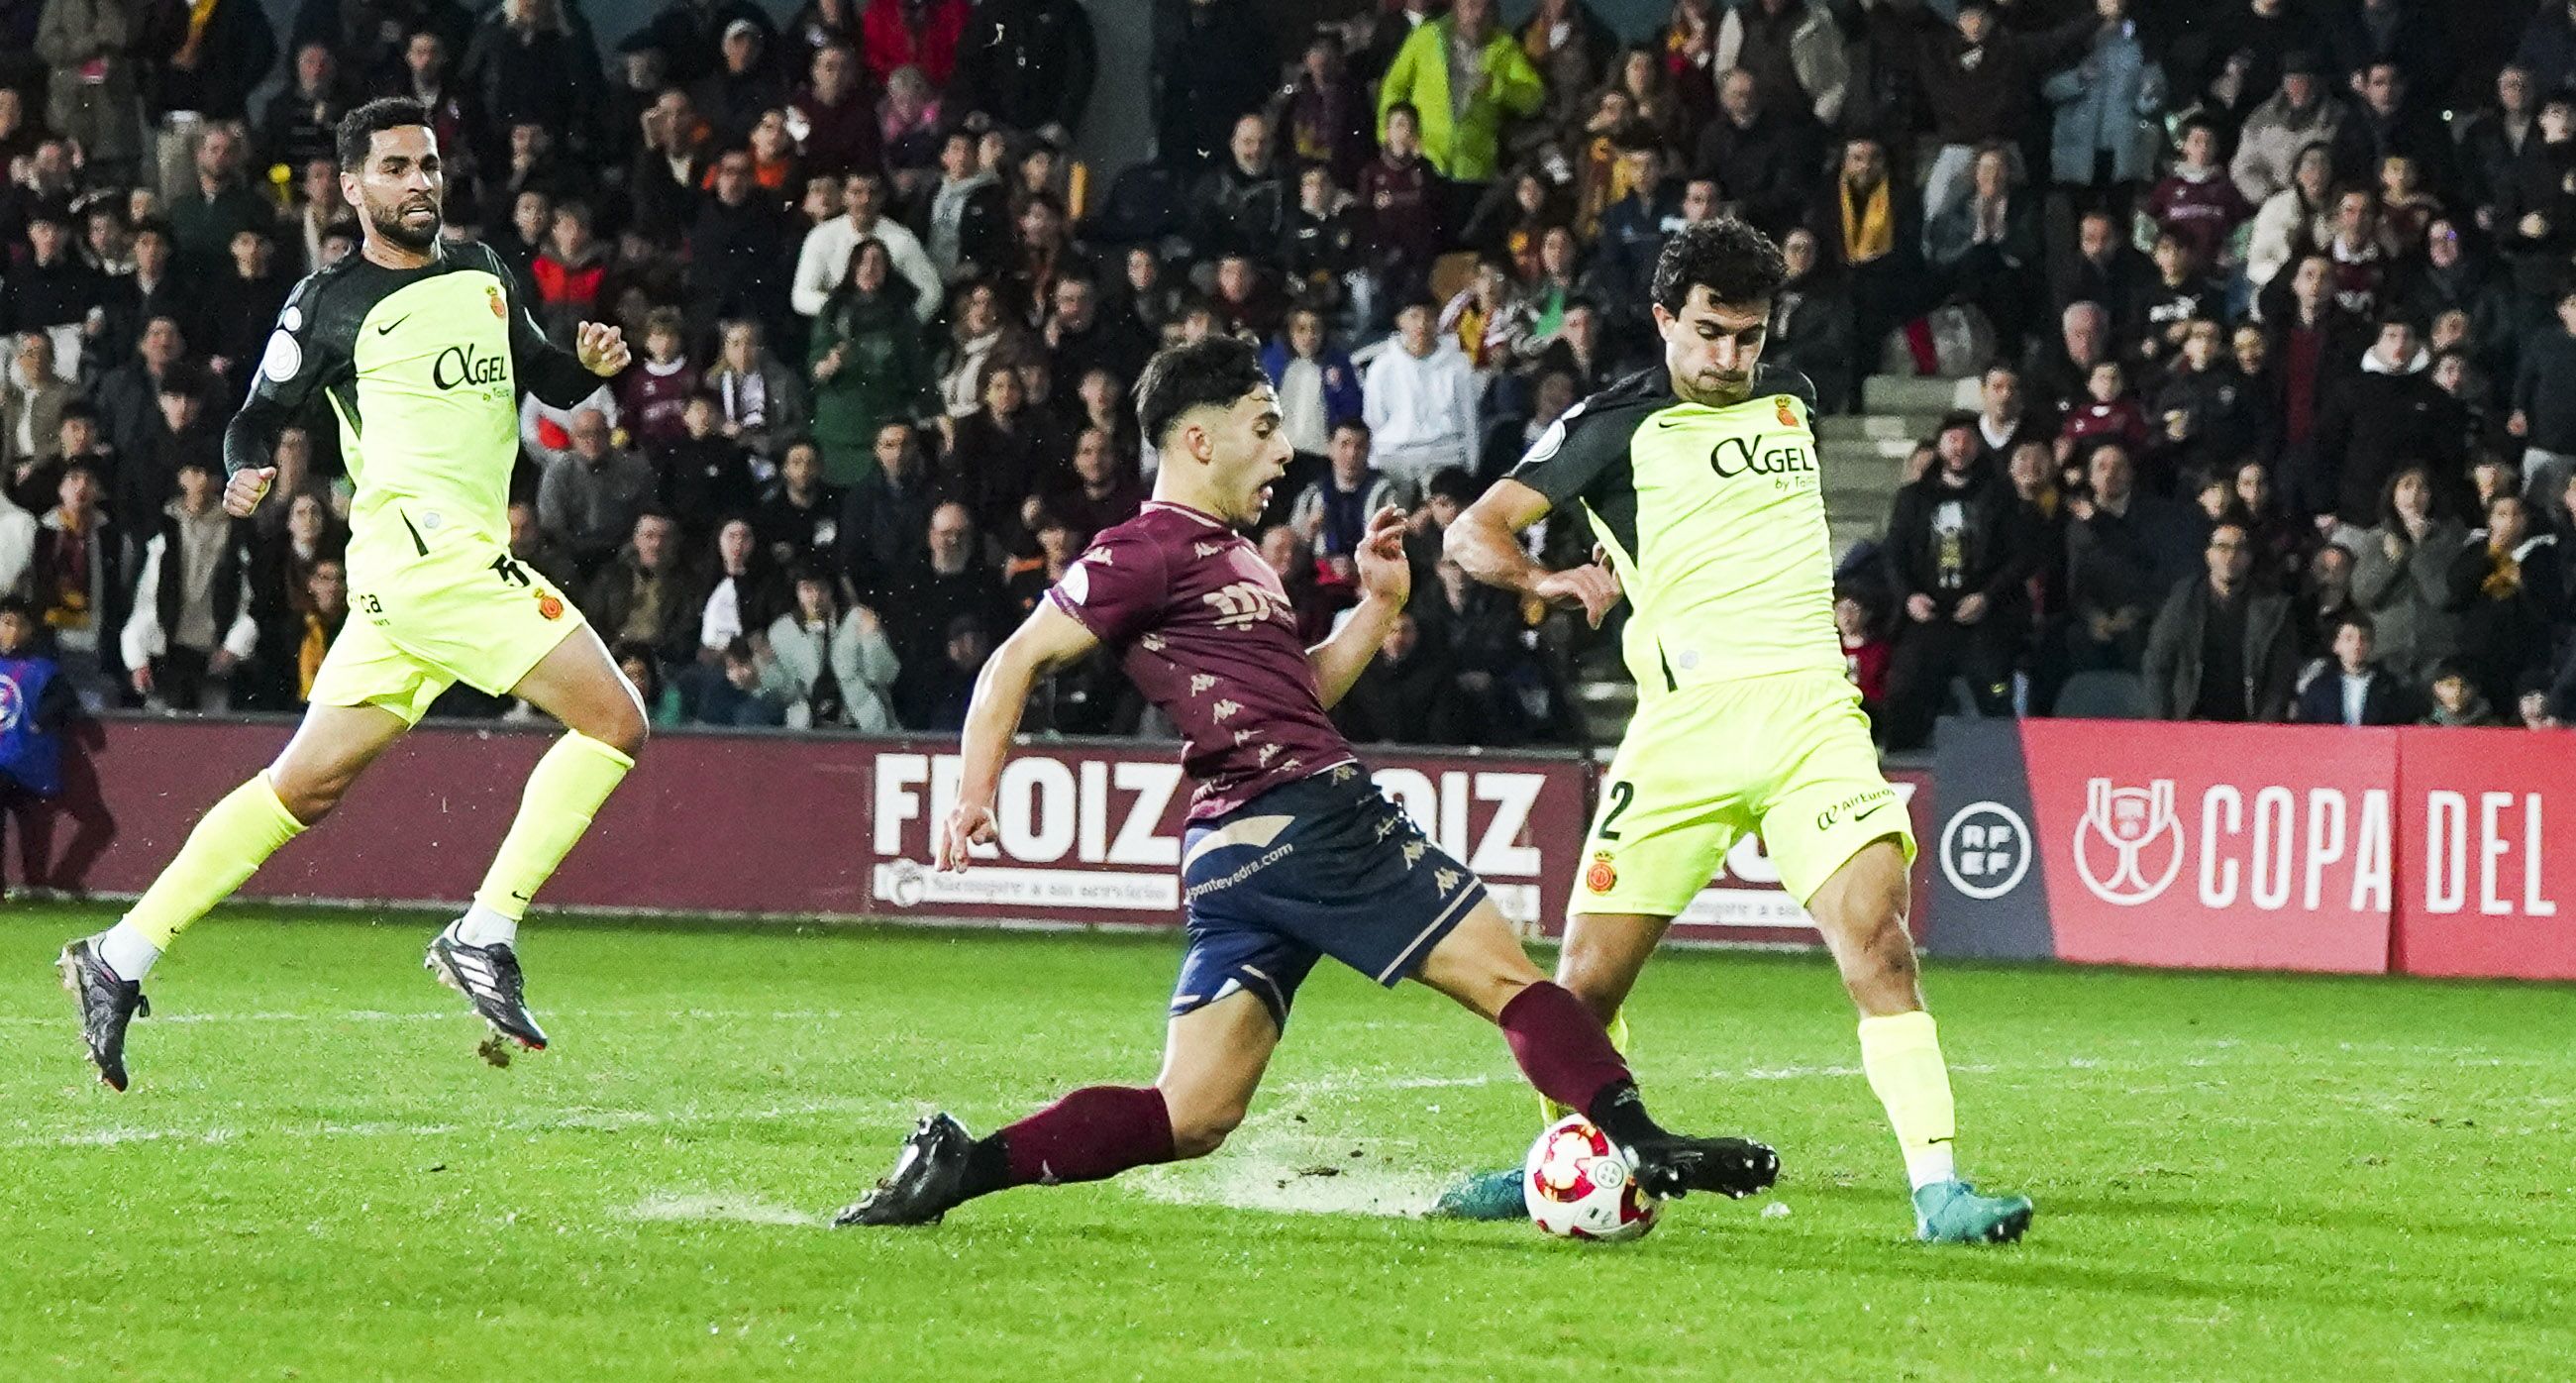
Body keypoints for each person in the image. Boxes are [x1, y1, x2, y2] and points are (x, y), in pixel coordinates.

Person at [832, 334, 1779, 1227]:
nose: (1286, 448)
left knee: (1195, 1110)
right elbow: (1014, 662)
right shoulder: (1144, 547)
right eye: (1264, 425)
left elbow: (1303, 689)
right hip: (1305, 815)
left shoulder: (1233, 553)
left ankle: (965, 1164)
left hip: (1240, 849)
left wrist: (1378, 608)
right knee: (1508, 977)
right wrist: (970, 797)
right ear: (1196, 440)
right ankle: (1642, 1141)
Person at [1438, 219, 2030, 1242]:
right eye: (1708, 333)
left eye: (1747, 337)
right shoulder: (1612, 421)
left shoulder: (1792, 395)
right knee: (1580, 988)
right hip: (1683, 734)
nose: (1727, 358)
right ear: (1665, 318)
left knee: (1879, 945)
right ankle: (1563, 1157)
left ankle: (1940, 1191)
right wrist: (1547, 577)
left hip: (1810, 716)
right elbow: (1471, 530)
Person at [57, 100, 645, 1092]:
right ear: (353, 186)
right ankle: (485, 931)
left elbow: (534, 370)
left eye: (429, 164)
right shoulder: (327, 303)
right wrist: (244, 472)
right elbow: (254, 418)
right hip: (429, 560)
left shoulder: (486, 269)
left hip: (406, 584)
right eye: (398, 167)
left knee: (305, 788)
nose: (421, 181)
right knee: (615, 723)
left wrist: (580, 368)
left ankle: (118, 955)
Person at [2142, 521, 2298, 722]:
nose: (2230, 556)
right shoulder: (2183, 601)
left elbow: (2281, 680)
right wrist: (2162, 726)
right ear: (2208, 554)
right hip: (2190, 722)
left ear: (2249, 557)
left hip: (2250, 725)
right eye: (2222, 547)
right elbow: (2157, 664)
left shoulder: (2274, 610)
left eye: (2238, 549)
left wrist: (2263, 731)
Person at [2292, 613, 2413, 724]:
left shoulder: (2388, 687)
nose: (2357, 645)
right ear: (2336, 645)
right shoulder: (2318, 687)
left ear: (2371, 644)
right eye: (2349, 638)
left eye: (2364, 639)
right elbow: (2304, 729)